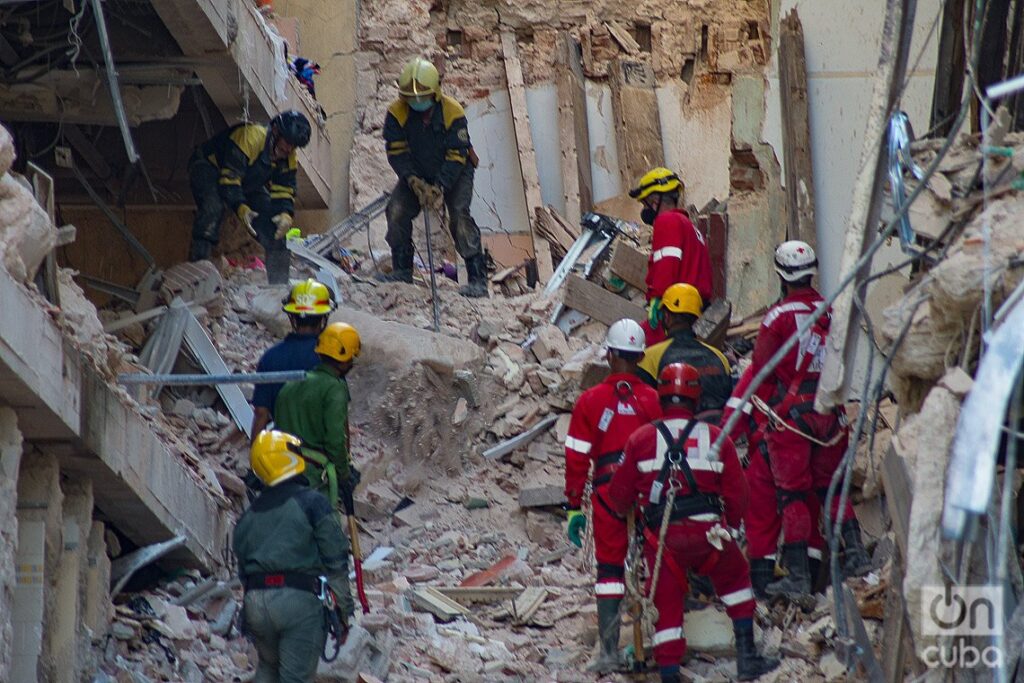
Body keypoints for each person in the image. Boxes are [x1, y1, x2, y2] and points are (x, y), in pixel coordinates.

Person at [606, 363, 779, 682]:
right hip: (709, 534)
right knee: (737, 580)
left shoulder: (640, 439)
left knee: (666, 607)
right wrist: (732, 527)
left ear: (661, 396)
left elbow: (619, 498)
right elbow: (737, 494)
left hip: (663, 543)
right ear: (696, 398)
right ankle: (747, 659)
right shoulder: (717, 438)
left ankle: (670, 675)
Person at [748, 241, 871, 606]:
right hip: (830, 415)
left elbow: (761, 372)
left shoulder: (776, 319)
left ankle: (799, 578)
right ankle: (857, 557)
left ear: (781, 275)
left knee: (794, 495)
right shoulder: (832, 311)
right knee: (833, 489)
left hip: (791, 422)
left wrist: (762, 421)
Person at [563, 319, 661, 673]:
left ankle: (608, 652)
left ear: (610, 355)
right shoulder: (653, 400)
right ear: (638, 357)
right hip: (647, 492)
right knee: (653, 563)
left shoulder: (590, 401)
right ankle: (663, 644)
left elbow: (576, 458)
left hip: (607, 493)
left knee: (609, 571)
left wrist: (573, 506)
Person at [233, 430, 353, 682]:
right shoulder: (312, 503)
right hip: (297, 603)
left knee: (267, 669)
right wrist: (342, 613)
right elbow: (336, 562)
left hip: (256, 604)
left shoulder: (247, 517)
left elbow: (242, 571)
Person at [380, 57, 488, 297]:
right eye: (412, 99)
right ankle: (402, 269)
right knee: (396, 210)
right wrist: (412, 180)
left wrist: (440, 186)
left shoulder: (452, 111)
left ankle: (477, 278)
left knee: (459, 216)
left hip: (456, 171)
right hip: (416, 174)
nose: (418, 103)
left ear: (435, 93)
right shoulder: (396, 114)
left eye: (423, 98)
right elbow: (396, 152)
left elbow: (457, 154)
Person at [188, 110, 312, 284]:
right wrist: (241, 207)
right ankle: (196, 276)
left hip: (245, 181)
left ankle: (279, 287)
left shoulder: (289, 156)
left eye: (294, 145)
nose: (289, 149)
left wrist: (285, 213)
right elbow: (229, 179)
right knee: (212, 209)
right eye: (288, 142)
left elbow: (284, 189)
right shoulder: (251, 137)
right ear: (275, 131)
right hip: (209, 167)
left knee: (274, 228)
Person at [629, 167, 712, 345]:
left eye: (645, 204)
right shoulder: (690, 227)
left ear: (655, 201)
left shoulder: (666, 221)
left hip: (674, 313)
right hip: (695, 310)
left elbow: (666, 268)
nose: (645, 210)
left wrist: (657, 301)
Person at [274, 322, 360, 494]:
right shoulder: (335, 388)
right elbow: (335, 441)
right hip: (311, 474)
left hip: (281, 467)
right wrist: (344, 475)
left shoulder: (293, 383)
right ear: (345, 360)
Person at [251, 279, 337, 437]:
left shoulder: (270, 358)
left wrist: (254, 457)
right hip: (317, 452)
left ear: (292, 317)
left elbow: (261, 414)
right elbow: (337, 417)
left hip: (280, 448)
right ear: (323, 317)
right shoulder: (331, 359)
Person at [637, 283, 732, 419]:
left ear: (666, 317)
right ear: (696, 318)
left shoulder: (650, 357)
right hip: (715, 435)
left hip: (670, 435)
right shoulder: (720, 358)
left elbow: (644, 408)